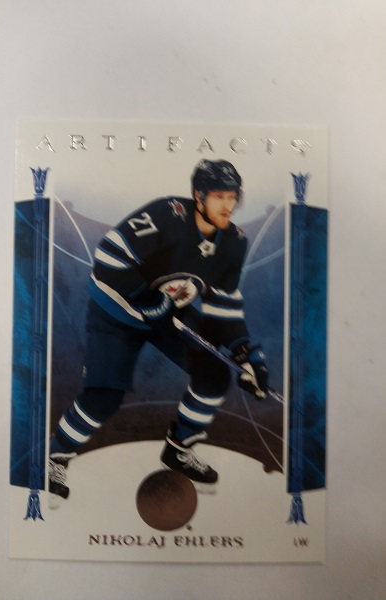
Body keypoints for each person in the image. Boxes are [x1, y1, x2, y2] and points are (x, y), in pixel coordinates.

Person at [48, 159, 268, 503]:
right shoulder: (168, 214)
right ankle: (55, 455)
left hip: (168, 312)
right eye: (219, 196)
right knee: (103, 396)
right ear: (199, 195)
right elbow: (109, 257)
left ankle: (178, 448)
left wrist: (244, 353)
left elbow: (223, 303)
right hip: (116, 310)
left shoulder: (234, 242)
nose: (227, 206)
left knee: (214, 374)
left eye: (232, 197)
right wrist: (146, 300)